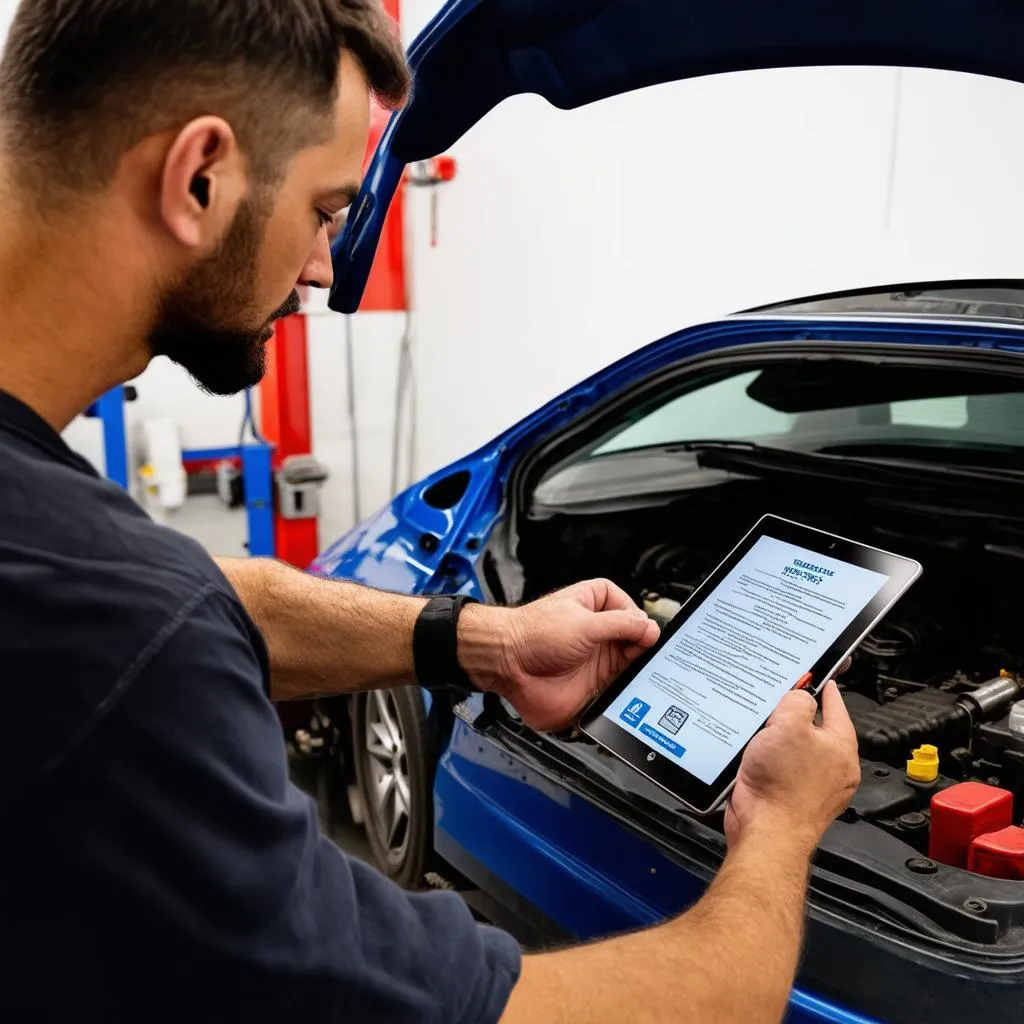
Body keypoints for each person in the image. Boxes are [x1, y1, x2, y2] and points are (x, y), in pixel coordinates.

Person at [0, 2, 860, 1022]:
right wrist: (778, 828)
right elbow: (699, 1004)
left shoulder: (65, 568)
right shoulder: (112, 624)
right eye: (326, 211)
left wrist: (487, 640)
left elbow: (197, 603)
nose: (324, 267)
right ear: (200, 177)